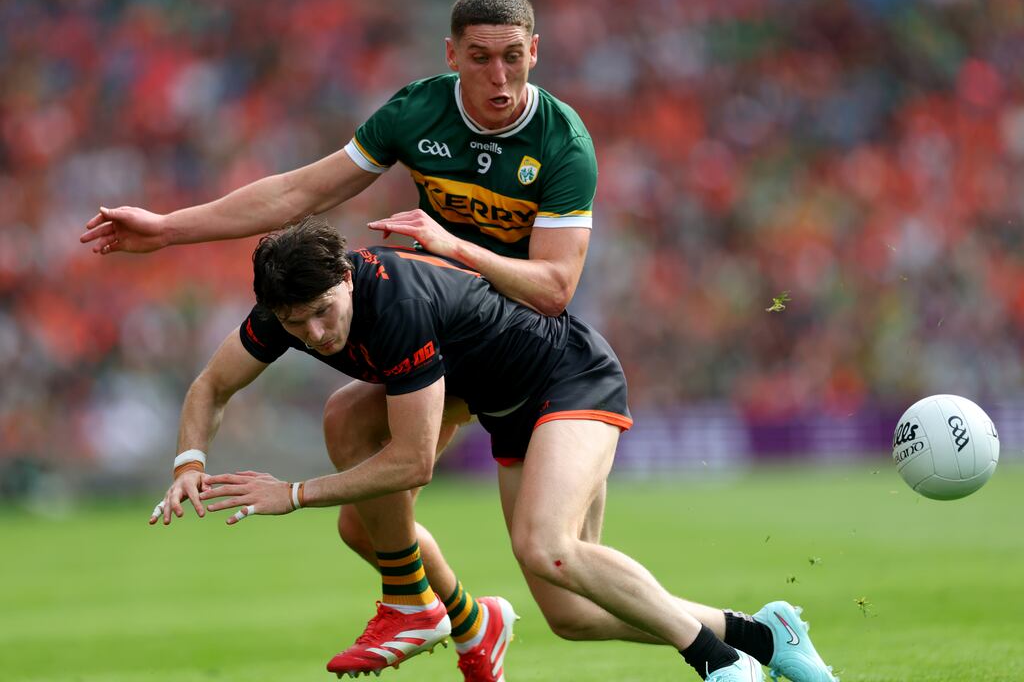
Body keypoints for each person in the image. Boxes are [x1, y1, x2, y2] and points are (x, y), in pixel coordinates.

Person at [106, 0, 597, 682]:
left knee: (574, 604)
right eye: (481, 58)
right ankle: (453, 616)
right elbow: (298, 192)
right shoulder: (417, 112)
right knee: (365, 517)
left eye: (514, 58)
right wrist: (167, 229)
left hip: (521, 346)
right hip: (440, 330)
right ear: (451, 54)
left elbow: (554, 289)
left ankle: (741, 638)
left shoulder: (562, 141)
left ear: (535, 52)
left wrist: (452, 248)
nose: (500, 78)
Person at [178, 217, 836, 682]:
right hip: (503, 407)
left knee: (548, 548)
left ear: (346, 277)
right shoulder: (285, 310)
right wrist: (189, 463)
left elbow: (412, 462)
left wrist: (292, 494)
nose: (316, 334)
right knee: (571, 615)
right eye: (296, 325)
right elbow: (211, 386)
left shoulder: (395, 304)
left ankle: (720, 663)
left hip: (570, 378)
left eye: (323, 311)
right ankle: (763, 635)